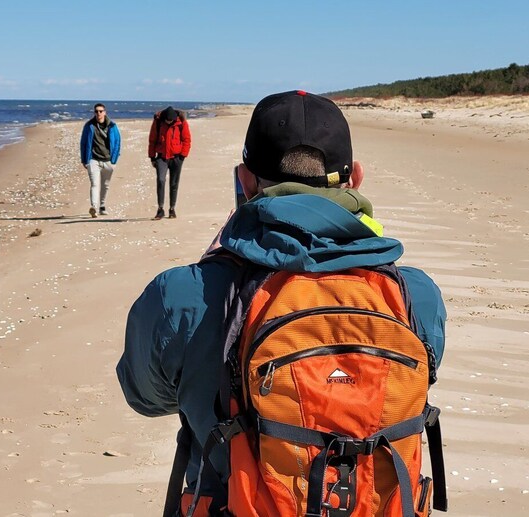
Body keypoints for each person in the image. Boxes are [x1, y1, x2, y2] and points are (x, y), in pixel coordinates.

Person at [117, 91, 446, 514]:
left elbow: (143, 396)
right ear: (356, 178)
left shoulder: (182, 293)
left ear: (245, 180)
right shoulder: (415, 294)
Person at [148, 106, 191, 219]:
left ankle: (172, 209)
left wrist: (182, 156)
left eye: (170, 121)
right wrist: (152, 157)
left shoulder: (181, 123)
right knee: (161, 181)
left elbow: (187, 139)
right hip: (161, 157)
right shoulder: (158, 122)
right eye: (167, 120)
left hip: (177, 158)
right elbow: (152, 140)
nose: (168, 122)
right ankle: (160, 208)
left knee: (174, 184)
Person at [80, 103, 121, 217]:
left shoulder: (112, 126)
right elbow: (83, 143)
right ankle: (94, 207)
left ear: (105, 112)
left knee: (105, 184)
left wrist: (114, 160)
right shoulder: (89, 126)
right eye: (96, 111)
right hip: (93, 159)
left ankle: (102, 206)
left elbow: (117, 142)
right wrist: (84, 159)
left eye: (101, 111)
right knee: (95, 184)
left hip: (108, 160)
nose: (98, 113)